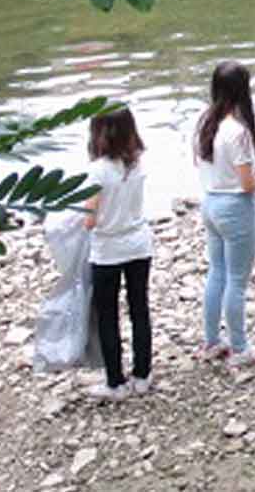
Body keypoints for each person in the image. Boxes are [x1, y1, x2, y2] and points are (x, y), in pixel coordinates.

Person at [194, 61, 255, 366]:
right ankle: (240, 348)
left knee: (216, 273)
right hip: (234, 207)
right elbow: (246, 182)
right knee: (237, 280)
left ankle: (212, 341)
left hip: (211, 202)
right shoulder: (238, 132)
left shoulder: (205, 122)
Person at [81, 107, 154, 401]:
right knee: (139, 309)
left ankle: (116, 382)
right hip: (138, 244)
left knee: (108, 315)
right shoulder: (137, 164)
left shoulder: (97, 171)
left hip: (107, 250)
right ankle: (142, 375)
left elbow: (89, 219)